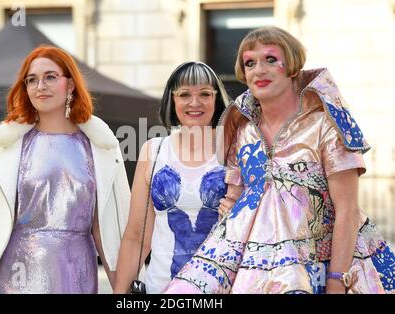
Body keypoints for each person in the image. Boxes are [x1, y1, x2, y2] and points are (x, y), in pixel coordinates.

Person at [164, 26, 395, 294]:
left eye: (270, 59)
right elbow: (234, 199)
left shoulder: (326, 125)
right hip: (250, 268)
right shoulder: (242, 129)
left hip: (318, 267)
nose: (258, 70)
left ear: (292, 67)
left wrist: (336, 280)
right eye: (250, 63)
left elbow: (348, 211)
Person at [0, 45, 131, 293]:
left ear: (70, 85)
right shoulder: (7, 145)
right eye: (31, 80)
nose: (40, 86)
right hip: (16, 277)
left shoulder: (100, 147)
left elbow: (106, 231)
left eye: (50, 77)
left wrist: (123, 292)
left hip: (76, 274)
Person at [113, 61, 238, 294]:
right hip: (160, 288)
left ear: (216, 99)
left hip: (221, 288)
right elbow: (136, 235)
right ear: (172, 100)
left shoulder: (234, 149)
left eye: (204, 94)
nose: (194, 102)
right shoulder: (154, 151)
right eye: (184, 94)